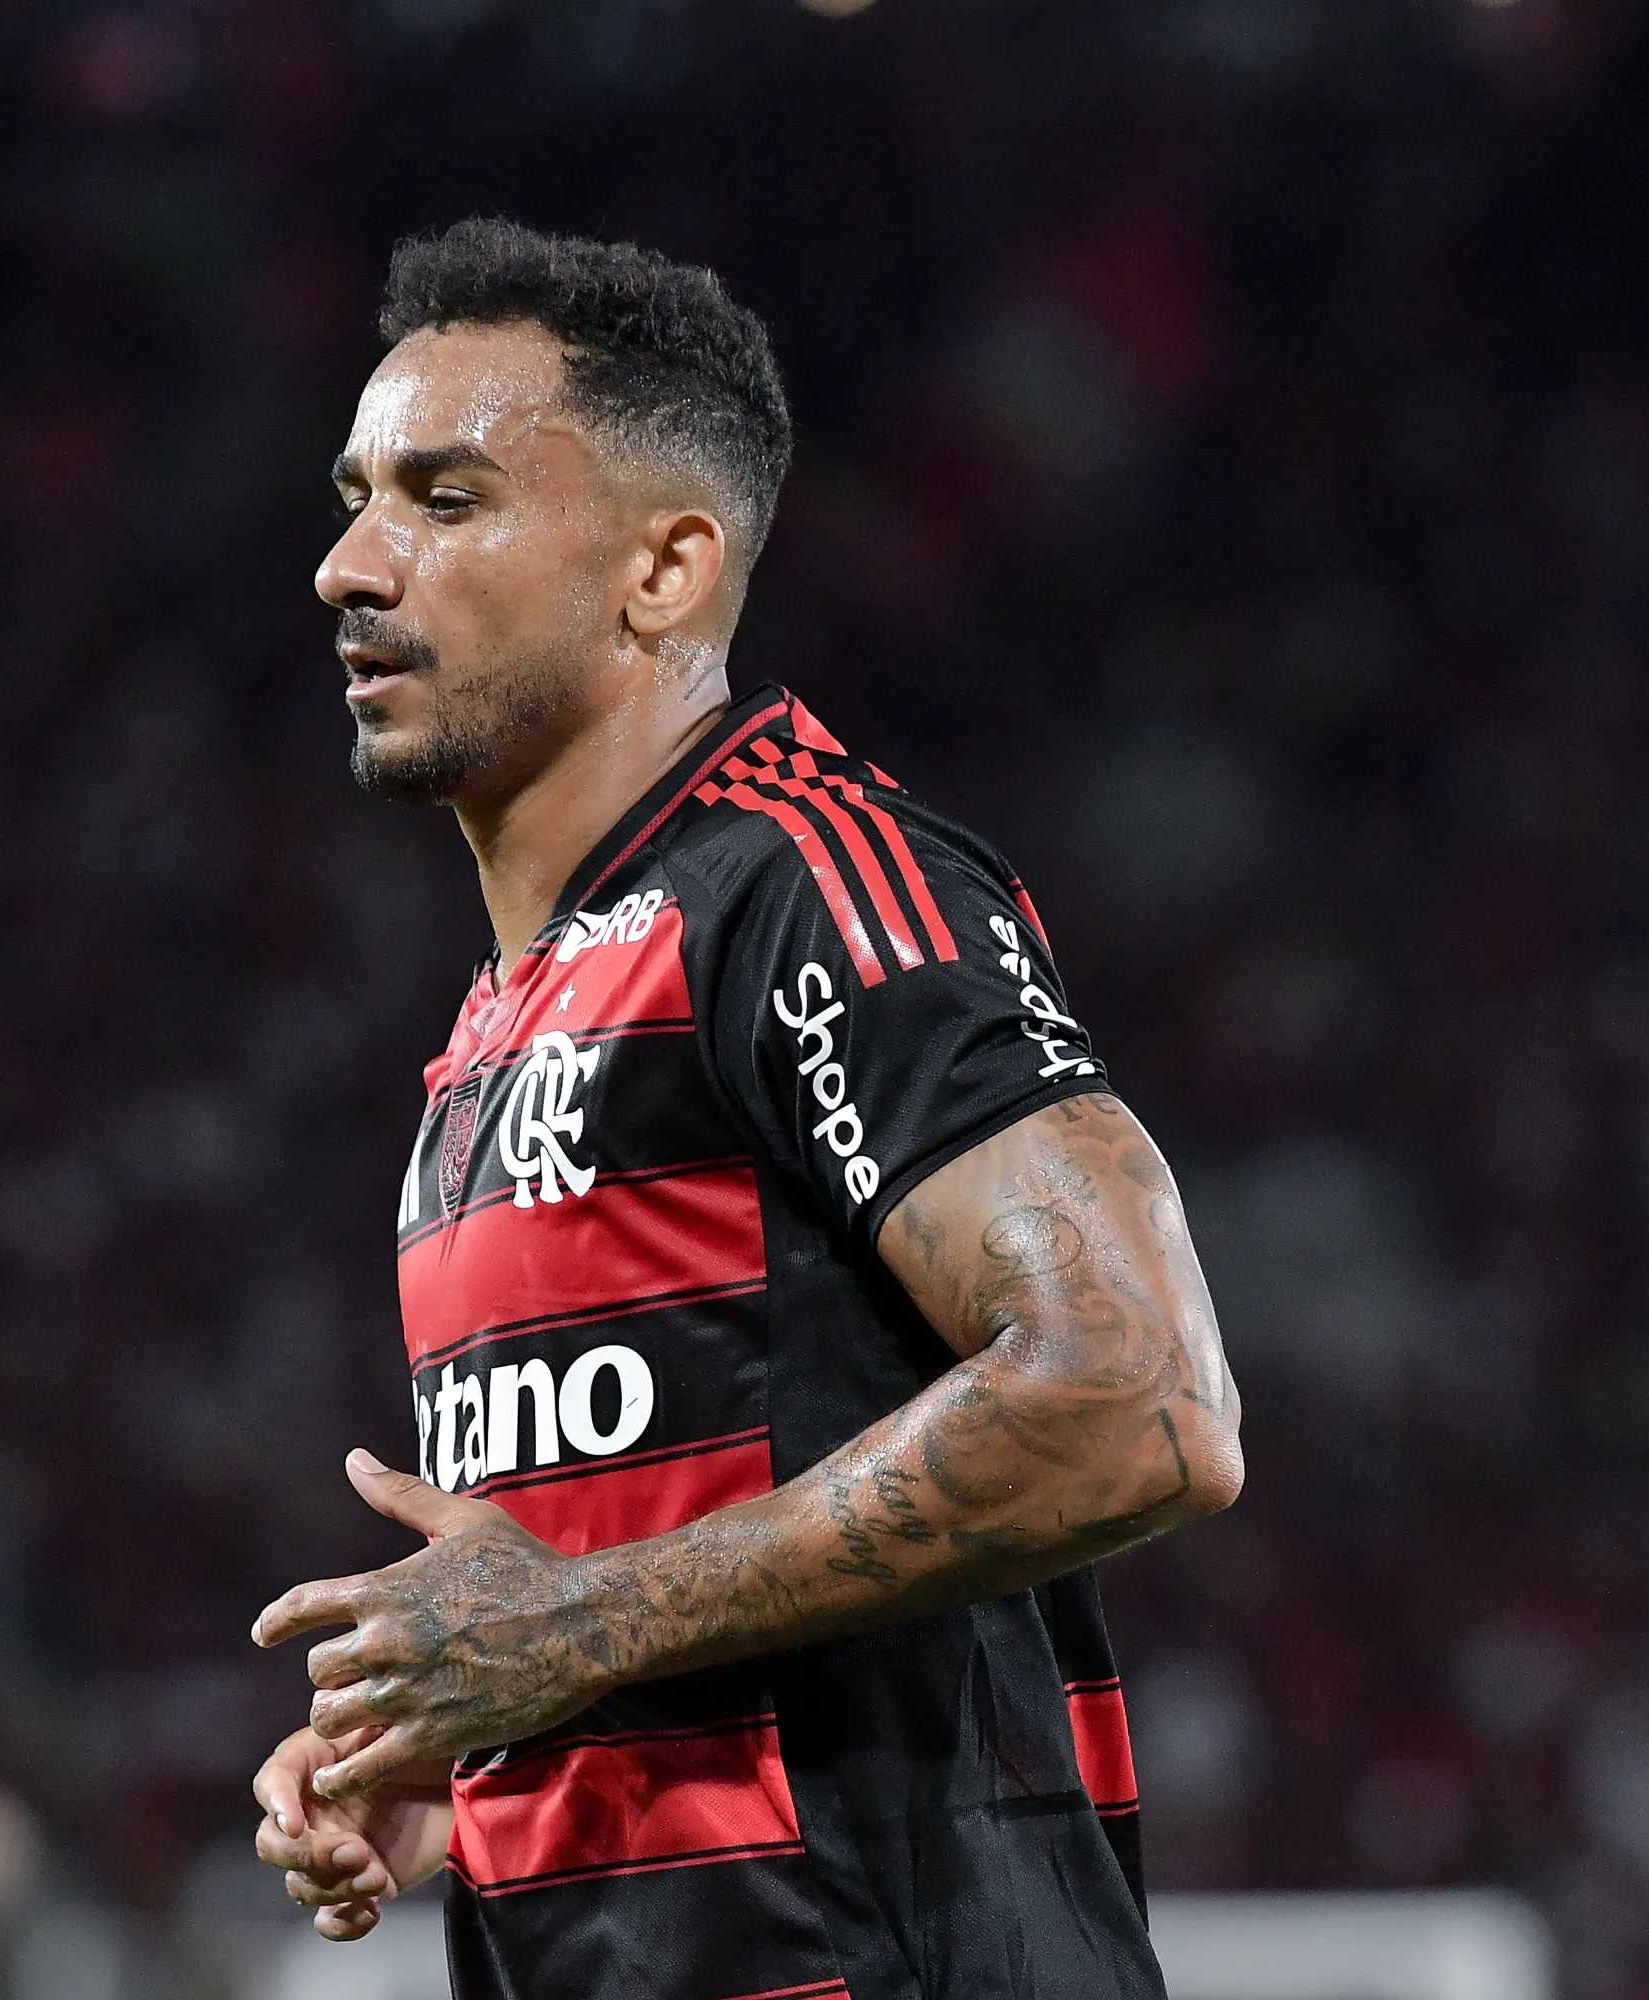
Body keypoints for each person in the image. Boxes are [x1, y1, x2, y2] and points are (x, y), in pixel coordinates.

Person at [246, 219, 1246, 2000]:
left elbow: (1141, 1395)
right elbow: (622, 1590)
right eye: (353, 495)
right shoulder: (503, 1020)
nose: (345, 563)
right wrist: (467, 1758)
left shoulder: (809, 880)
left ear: (665, 571)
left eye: (446, 499)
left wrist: (577, 1632)